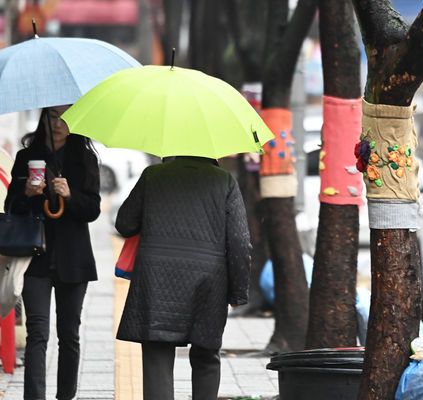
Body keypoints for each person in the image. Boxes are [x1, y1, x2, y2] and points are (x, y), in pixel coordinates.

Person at [114, 155, 251, 400]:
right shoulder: (224, 181)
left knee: (157, 353)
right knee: (207, 355)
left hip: (157, 278)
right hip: (209, 281)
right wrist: (238, 292)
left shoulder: (153, 176)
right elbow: (240, 241)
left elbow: (125, 224)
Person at [4, 105, 101, 400]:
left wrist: (70, 196)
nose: (59, 123)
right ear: (44, 118)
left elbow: (93, 210)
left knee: (69, 334)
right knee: (38, 333)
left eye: (66, 117)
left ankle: (65, 396)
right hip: (36, 256)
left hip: (74, 258)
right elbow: (10, 207)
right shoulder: (25, 159)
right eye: (54, 116)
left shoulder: (84, 158)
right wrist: (27, 194)